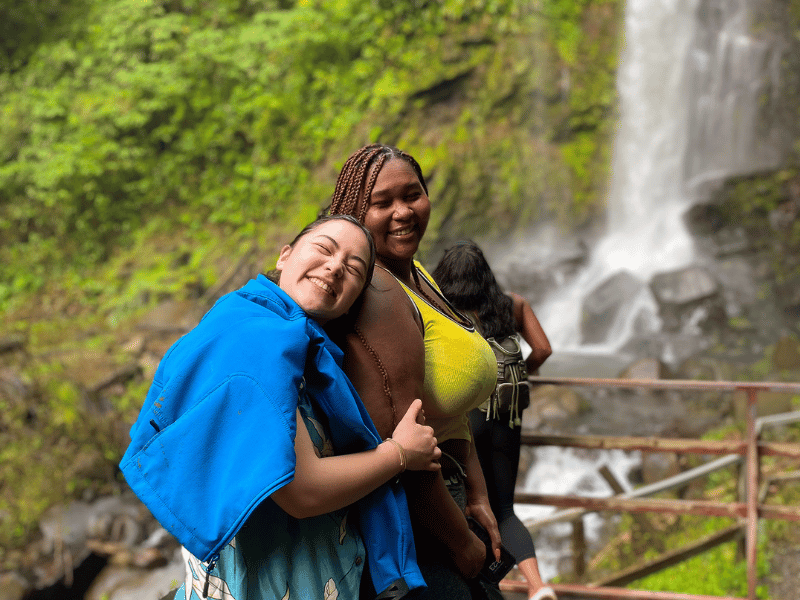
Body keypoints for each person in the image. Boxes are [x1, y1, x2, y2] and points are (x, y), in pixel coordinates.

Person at [119, 214, 442, 600]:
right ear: (284, 256)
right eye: (324, 248)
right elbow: (302, 491)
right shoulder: (259, 341)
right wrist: (400, 454)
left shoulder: (290, 342)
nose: (336, 266)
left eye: (354, 268)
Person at [325, 144, 503, 600]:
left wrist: (479, 495)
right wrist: (462, 544)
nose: (403, 212)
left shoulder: (416, 272)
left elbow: (448, 414)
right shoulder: (380, 292)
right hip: (419, 523)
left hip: (451, 501)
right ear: (353, 213)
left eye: (413, 194)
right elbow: (402, 437)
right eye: (382, 203)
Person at [432, 241, 557, 600]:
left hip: (465, 415)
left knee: (469, 502)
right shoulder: (512, 305)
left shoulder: (442, 308)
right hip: (507, 416)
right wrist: (522, 373)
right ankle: (537, 587)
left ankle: (486, 585)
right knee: (503, 508)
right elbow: (543, 348)